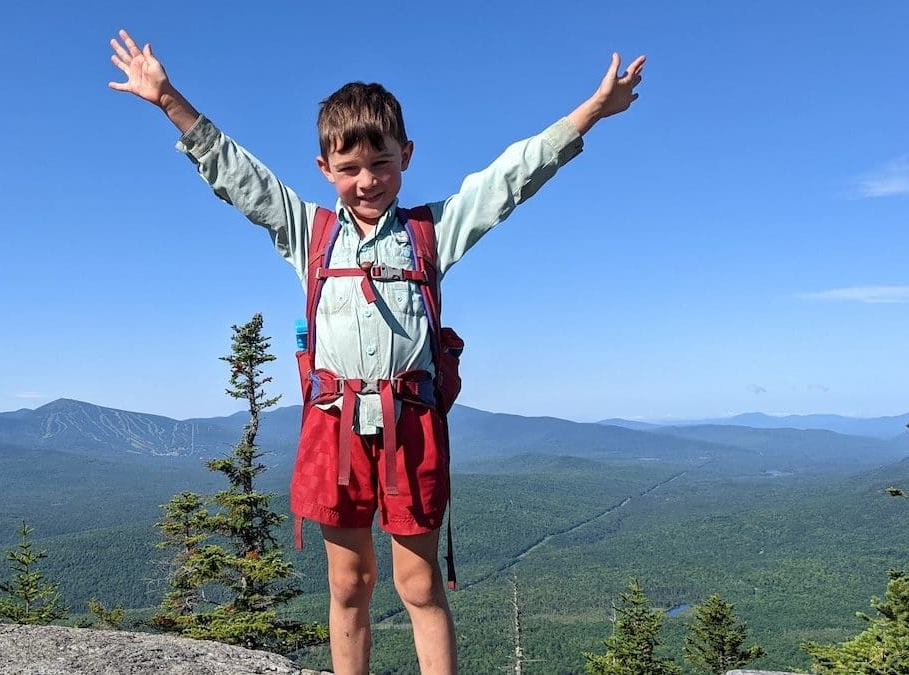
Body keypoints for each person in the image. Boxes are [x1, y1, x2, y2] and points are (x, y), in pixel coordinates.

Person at [108, 28, 644, 675]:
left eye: (381, 163)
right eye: (349, 167)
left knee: (419, 587)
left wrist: (591, 111)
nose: (366, 180)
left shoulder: (431, 231)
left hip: (410, 428)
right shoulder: (310, 232)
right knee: (349, 584)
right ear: (324, 170)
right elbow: (238, 174)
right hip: (335, 430)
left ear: (406, 155)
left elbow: (512, 176)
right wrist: (169, 99)